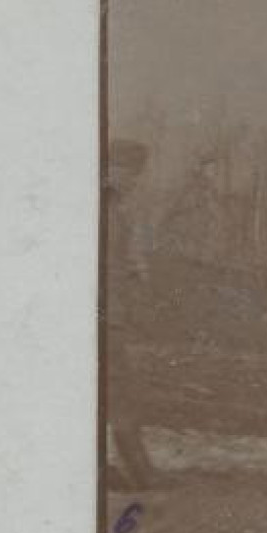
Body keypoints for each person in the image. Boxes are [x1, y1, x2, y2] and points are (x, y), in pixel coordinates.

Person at [104, 138, 158, 492]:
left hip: (111, 313)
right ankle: (141, 474)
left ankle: (137, 472)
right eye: (129, 173)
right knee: (119, 391)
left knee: (116, 391)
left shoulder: (120, 212)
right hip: (103, 315)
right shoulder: (106, 212)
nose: (134, 182)